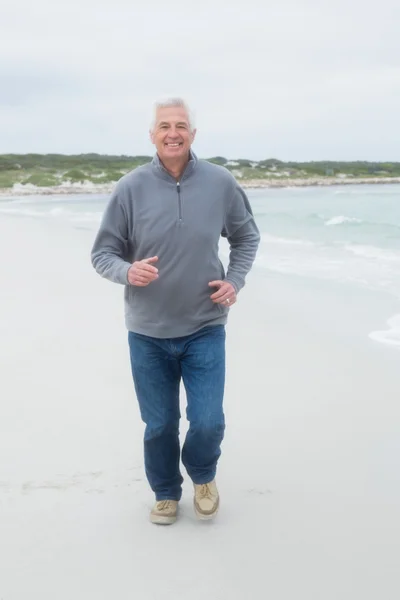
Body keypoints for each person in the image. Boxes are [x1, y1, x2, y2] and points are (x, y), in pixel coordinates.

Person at [91, 98, 260, 525]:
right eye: (164, 125)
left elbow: (246, 237)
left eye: (181, 125)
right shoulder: (129, 188)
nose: (173, 133)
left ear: (193, 134)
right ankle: (166, 492)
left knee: (206, 422)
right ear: (152, 135)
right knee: (160, 425)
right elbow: (103, 253)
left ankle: (202, 475)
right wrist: (128, 272)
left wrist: (234, 281)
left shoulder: (220, 182)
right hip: (147, 331)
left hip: (205, 325)